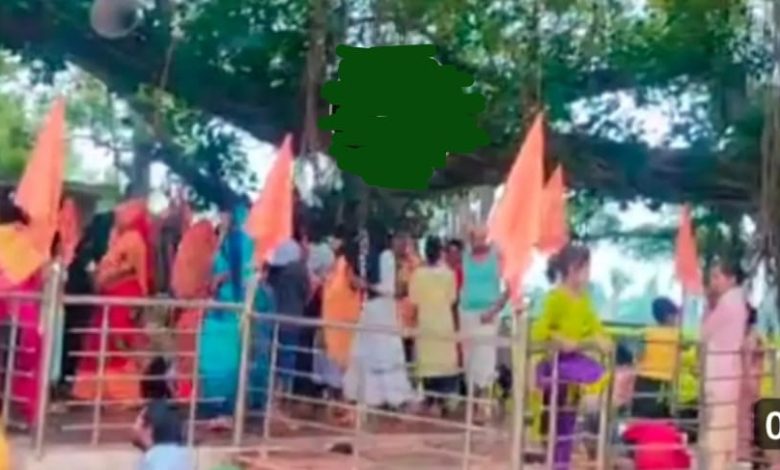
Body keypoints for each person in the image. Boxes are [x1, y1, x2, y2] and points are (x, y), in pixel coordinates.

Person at [531, 243, 609, 469]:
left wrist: (601, 339)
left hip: (574, 365)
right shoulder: (555, 298)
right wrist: (559, 339)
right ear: (573, 269)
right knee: (555, 422)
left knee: (567, 422)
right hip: (556, 365)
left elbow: (594, 326)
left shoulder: (583, 299)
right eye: (586, 269)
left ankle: (561, 465)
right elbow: (539, 331)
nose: (588, 274)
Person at [73, 199, 154, 407]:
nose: (119, 215)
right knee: (104, 341)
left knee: (118, 342)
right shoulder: (120, 237)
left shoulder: (134, 239)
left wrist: (110, 275)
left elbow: (134, 270)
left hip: (124, 296)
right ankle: (98, 392)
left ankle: (121, 393)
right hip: (111, 296)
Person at [343, 225, 414, 409]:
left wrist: (365, 285)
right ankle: (372, 394)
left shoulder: (385, 257)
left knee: (383, 349)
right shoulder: (376, 258)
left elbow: (388, 289)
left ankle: (387, 394)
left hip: (382, 308)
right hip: (374, 309)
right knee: (371, 348)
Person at [198, 206, 253, 430]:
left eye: (225, 213)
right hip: (218, 309)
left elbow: (245, 271)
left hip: (232, 308)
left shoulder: (241, 241)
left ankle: (228, 411)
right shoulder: (223, 240)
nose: (222, 217)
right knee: (212, 358)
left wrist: (222, 278)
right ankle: (216, 408)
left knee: (230, 361)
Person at [702, 259, 749, 470]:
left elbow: (704, 333)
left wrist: (708, 304)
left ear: (731, 279)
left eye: (717, 277)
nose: (713, 282)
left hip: (720, 374)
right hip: (727, 372)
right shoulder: (737, 301)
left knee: (718, 435)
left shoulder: (727, 304)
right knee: (726, 431)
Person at [459, 225, 508, 419]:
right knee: (469, 358)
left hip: (488, 313)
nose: (479, 242)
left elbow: (509, 288)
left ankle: (484, 403)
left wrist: (494, 310)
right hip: (466, 312)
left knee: (486, 357)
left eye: (482, 237)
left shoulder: (497, 257)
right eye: (475, 238)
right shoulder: (465, 257)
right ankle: (472, 402)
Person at [409, 236, 459, 417]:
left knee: (427, 362)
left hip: (426, 322)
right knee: (443, 362)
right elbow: (452, 299)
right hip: (443, 322)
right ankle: (439, 401)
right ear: (440, 252)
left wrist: (412, 324)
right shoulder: (449, 274)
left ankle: (430, 399)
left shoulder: (417, 275)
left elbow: (414, 301)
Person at [170, 220, 219, 403]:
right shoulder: (208, 256)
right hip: (202, 314)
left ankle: (184, 396)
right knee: (198, 361)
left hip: (185, 315)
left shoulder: (184, 256)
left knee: (184, 361)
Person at [266, 239, 312, 400]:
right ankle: (285, 393)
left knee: (273, 355)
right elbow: (307, 294)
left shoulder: (273, 270)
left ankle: (273, 392)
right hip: (293, 318)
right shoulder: (300, 269)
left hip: (273, 316)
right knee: (289, 356)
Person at [631, 297, 681, 419]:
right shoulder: (677, 335)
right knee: (660, 417)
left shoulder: (645, 333)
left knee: (641, 416)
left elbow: (638, 356)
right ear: (669, 316)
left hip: (643, 380)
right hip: (664, 382)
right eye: (675, 316)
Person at [133, 400, 194, 470]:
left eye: (137, 422)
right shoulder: (178, 456)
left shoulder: (158, 463)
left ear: (149, 429)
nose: (134, 427)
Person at [738, 304, 764, 464]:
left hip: (748, 382)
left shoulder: (754, 337)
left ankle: (747, 454)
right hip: (742, 381)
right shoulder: (748, 336)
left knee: (747, 419)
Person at [395, 232, 420, 374]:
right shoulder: (396, 262)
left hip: (410, 314)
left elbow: (407, 287)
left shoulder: (414, 263)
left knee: (408, 352)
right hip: (398, 315)